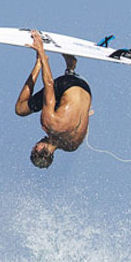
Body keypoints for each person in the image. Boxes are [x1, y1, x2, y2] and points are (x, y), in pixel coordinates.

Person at [14, 29, 92, 168]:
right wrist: (41, 54)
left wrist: (86, 112)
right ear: (38, 149)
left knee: (60, 105)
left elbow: (81, 121)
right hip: (68, 84)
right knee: (21, 109)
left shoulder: (72, 146)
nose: (35, 143)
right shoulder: (50, 124)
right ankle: (40, 64)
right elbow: (49, 84)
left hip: (86, 89)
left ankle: (71, 68)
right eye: (34, 147)